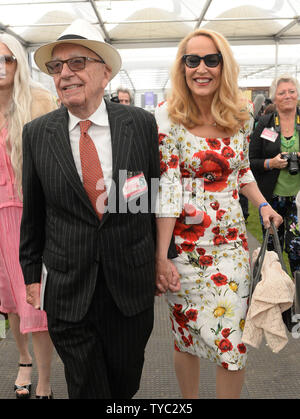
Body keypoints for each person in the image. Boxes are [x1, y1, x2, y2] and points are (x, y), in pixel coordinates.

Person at [19, 19, 177, 399]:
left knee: (124, 383)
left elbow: (153, 196)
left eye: (77, 63)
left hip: (129, 284)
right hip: (69, 287)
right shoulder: (38, 133)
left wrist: (162, 256)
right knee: (86, 386)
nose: (65, 74)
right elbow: (34, 210)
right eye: (57, 67)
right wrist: (30, 273)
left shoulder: (139, 124)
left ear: (105, 73)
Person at [155, 28, 282, 399]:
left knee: (233, 344)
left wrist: (262, 203)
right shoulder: (168, 118)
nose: (201, 68)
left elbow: (242, 171)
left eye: (211, 59)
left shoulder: (240, 117)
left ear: (223, 66)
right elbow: (167, 190)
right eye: (191, 60)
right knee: (185, 336)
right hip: (185, 248)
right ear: (182, 67)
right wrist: (161, 257)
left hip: (230, 248)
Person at [0, 34, 56, 399]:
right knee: (9, 302)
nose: (1, 67)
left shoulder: (38, 99)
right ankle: (23, 361)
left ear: (19, 62)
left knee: (34, 300)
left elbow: (54, 161)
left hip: (27, 215)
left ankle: (47, 382)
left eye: (8, 59)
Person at [249, 74, 300, 277]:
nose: (287, 96)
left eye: (291, 91)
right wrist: (271, 163)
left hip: (298, 200)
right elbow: (250, 160)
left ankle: (297, 294)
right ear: (274, 98)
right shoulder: (265, 122)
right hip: (272, 198)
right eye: (282, 93)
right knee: (272, 250)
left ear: (297, 95)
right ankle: (276, 295)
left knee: (297, 249)